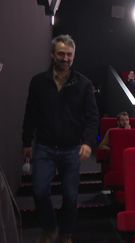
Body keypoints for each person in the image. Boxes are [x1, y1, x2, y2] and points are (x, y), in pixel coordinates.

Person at [22, 34, 99, 243]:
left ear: (74, 56)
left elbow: (93, 117)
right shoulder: (38, 82)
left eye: (69, 55)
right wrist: (26, 142)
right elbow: (31, 113)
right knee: (39, 191)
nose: (65, 58)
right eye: (61, 54)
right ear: (52, 54)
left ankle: (66, 234)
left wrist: (87, 142)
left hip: (72, 148)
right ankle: (49, 228)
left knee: (71, 196)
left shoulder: (84, 84)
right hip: (44, 147)